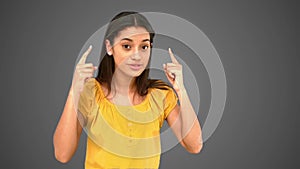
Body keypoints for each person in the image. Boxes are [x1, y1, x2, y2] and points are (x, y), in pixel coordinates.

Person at [53, 11, 202, 169]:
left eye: (144, 46)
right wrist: (74, 91)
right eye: (127, 46)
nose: (137, 56)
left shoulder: (161, 95)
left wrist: (181, 90)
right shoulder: (90, 92)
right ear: (109, 47)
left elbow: (194, 146)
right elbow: (62, 154)